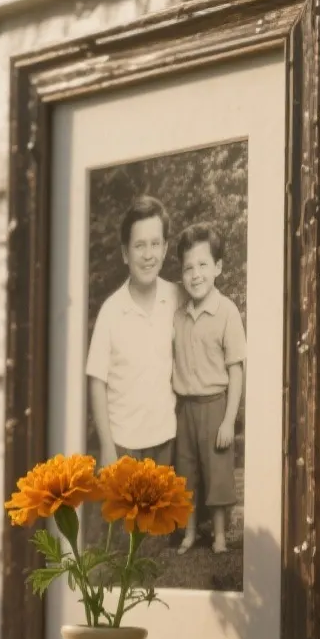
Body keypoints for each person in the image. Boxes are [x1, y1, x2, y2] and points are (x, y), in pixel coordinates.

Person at [86, 196, 179, 467]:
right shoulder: (111, 311)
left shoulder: (177, 298)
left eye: (155, 244)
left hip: (166, 441)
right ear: (125, 253)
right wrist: (107, 446)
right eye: (139, 246)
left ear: (165, 249)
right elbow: (97, 382)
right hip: (122, 444)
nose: (148, 255)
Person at [170, 224, 245, 554]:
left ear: (218, 267)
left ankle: (218, 536)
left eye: (203, 265)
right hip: (185, 408)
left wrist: (229, 420)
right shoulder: (178, 316)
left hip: (215, 405)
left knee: (217, 472)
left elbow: (236, 370)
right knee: (186, 472)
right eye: (188, 268)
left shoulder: (226, 311)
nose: (195, 274)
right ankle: (189, 533)